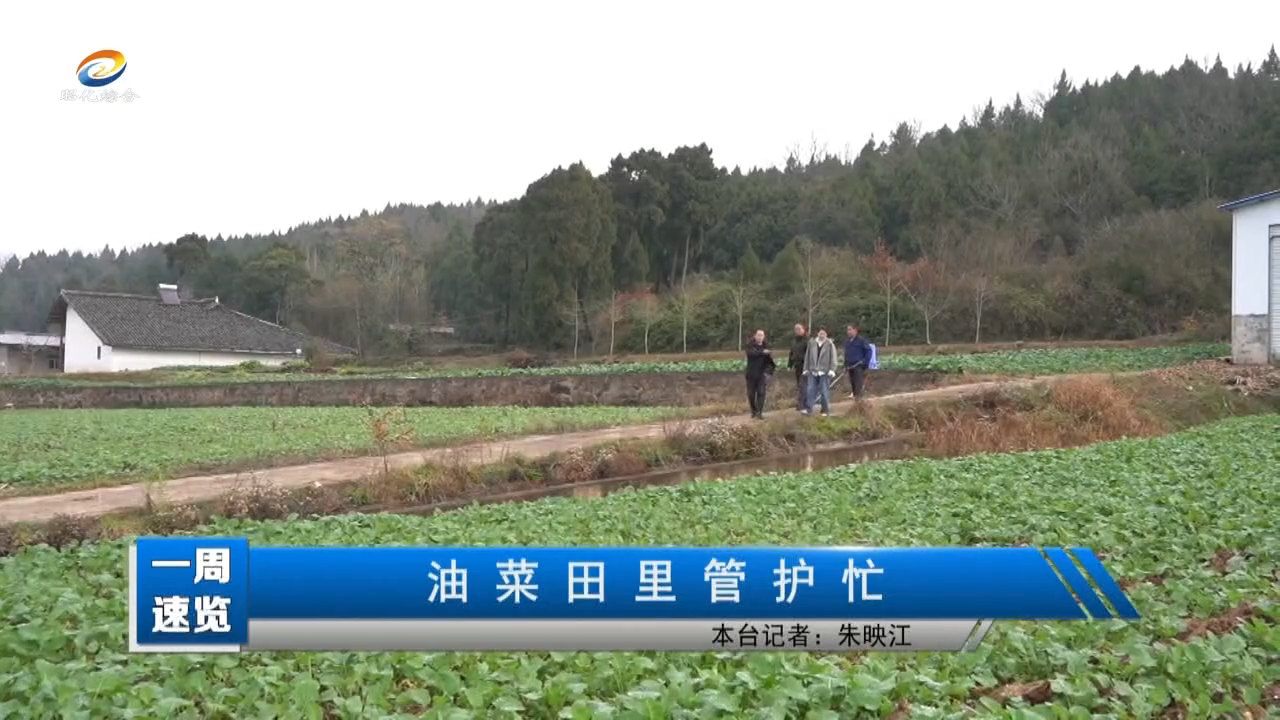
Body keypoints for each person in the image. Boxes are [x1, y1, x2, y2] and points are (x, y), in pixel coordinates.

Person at [802, 327, 838, 416]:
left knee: (824, 391)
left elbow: (833, 357)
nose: (822, 335)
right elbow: (807, 356)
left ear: (826, 334)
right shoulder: (812, 343)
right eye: (820, 333)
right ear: (817, 334)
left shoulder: (830, 344)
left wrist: (832, 369)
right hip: (813, 371)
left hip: (824, 371)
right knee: (810, 390)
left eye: (823, 333)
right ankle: (809, 409)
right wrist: (806, 368)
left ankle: (825, 410)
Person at [744, 329, 776, 419]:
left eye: (761, 335)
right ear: (755, 336)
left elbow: (771, 362)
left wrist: (768, 372)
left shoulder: (766, 347)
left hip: (761, 374)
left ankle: (759, 412)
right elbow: (750, 354)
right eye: (758, 335)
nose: (760, 337)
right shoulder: (750, 345)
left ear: (764, 337)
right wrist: (762, 352)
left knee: (761, 393)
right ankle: (753, 410)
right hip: (751, 374)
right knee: (751, 395)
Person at [844, 324, 873, 400]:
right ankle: (856, 400)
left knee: (858, 385)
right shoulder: (847, 341)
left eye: (850, 329)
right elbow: (846, 354)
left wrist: (864, 362)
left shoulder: (861, 340)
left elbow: (869, 351)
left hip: (858, 366)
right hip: (850, 366)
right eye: (847, 330)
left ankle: (860, 401)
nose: (848, 332)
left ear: (855, 330)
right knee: (853, 384)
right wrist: (845, 364)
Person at [786, 323, 808, 412]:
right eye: (796, 329)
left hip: (805, 366)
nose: (798, 331)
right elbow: (791, 353)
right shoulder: (794, 341)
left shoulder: (807, 341)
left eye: (799, 329)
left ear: (803, 330)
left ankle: (802, 404)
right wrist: (789, 365)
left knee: (803, 385)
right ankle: (803, 403)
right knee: (800, 385)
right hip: (797, 366)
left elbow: (810, 354)